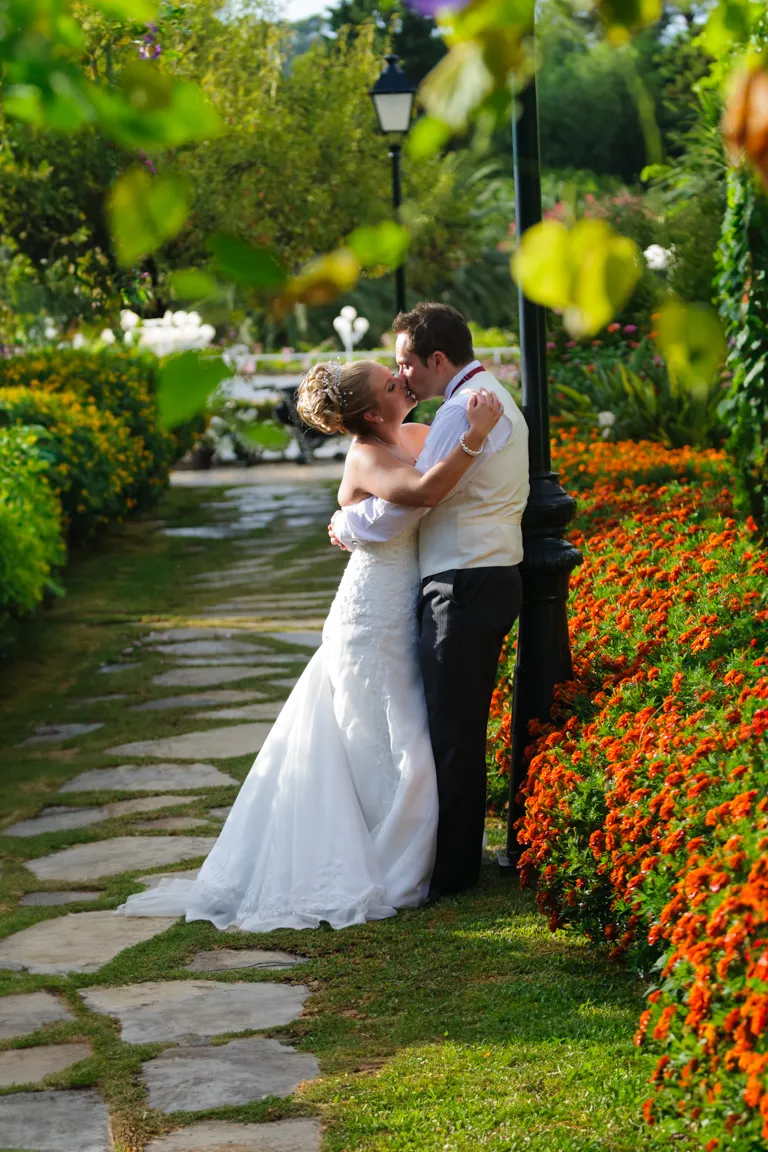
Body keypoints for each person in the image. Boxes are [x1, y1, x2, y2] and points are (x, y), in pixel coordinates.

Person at [115, 358, 503, 931]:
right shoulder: (367, 455)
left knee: (402, 731)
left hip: (406, 607)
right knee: (383, 736)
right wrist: (473, 438)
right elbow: (423, 492)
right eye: (392, 383)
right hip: (369, 617)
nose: (403, 379)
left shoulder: (418, 435)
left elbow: (438, 487)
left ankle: (403, 850)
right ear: (373, 411)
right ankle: (376, 857)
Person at [330, 303, 529, 900]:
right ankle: (440, 855)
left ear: (436, 360)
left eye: (405, 365)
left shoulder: (463, 413)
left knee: (450, 730)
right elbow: (402, 495)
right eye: (393, 373)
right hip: (460, 578)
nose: (403, 378)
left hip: (464, 581)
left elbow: (416, 497)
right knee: (438, 726)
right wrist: (350, 517)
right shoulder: (478, 397)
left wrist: (348, 522)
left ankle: (450, 870)